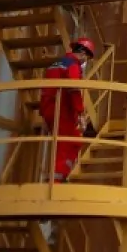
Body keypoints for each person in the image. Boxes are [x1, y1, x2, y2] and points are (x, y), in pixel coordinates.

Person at [39, 37, 97, 182]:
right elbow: (74, 88)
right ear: (83, 53)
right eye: (87, 58)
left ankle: (54, 177)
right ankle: (57, 179)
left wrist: (43, 114)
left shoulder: (55, 65)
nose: (85, 61)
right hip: (62, 109)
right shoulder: (73, 65)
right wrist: (80, 112)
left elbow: (45, 88)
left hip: (48, 108)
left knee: (59, 142)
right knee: (72, 142)